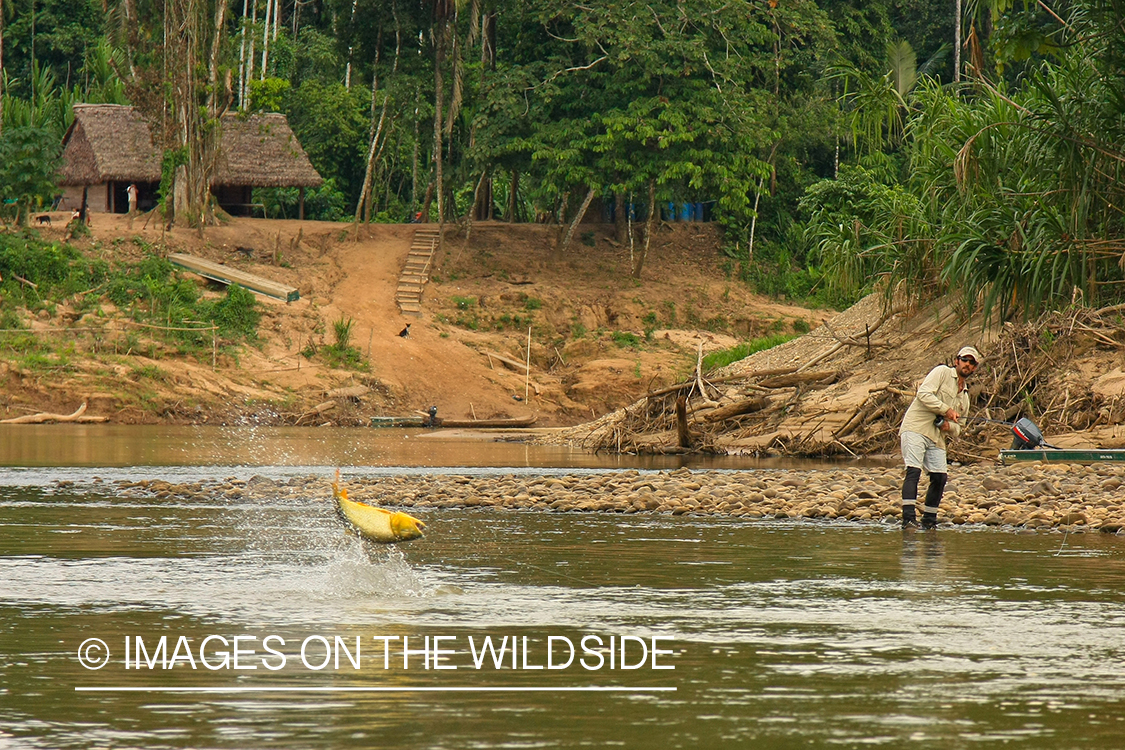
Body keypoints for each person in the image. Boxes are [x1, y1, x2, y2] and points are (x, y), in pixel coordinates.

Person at [899, 345, 982, 530]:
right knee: (913, 470)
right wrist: (946, 410)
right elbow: (923, 394)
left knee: (940, 477)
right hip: (916, 427)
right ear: (956, 361)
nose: (968, 364)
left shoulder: (965, 397)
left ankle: (929, 520)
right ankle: (908, 519)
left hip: (936, 436)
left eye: (972, 362)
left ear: (975, 368)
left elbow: (959, 428)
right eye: (965, 360)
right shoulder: (942, 372)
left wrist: (946, 426)